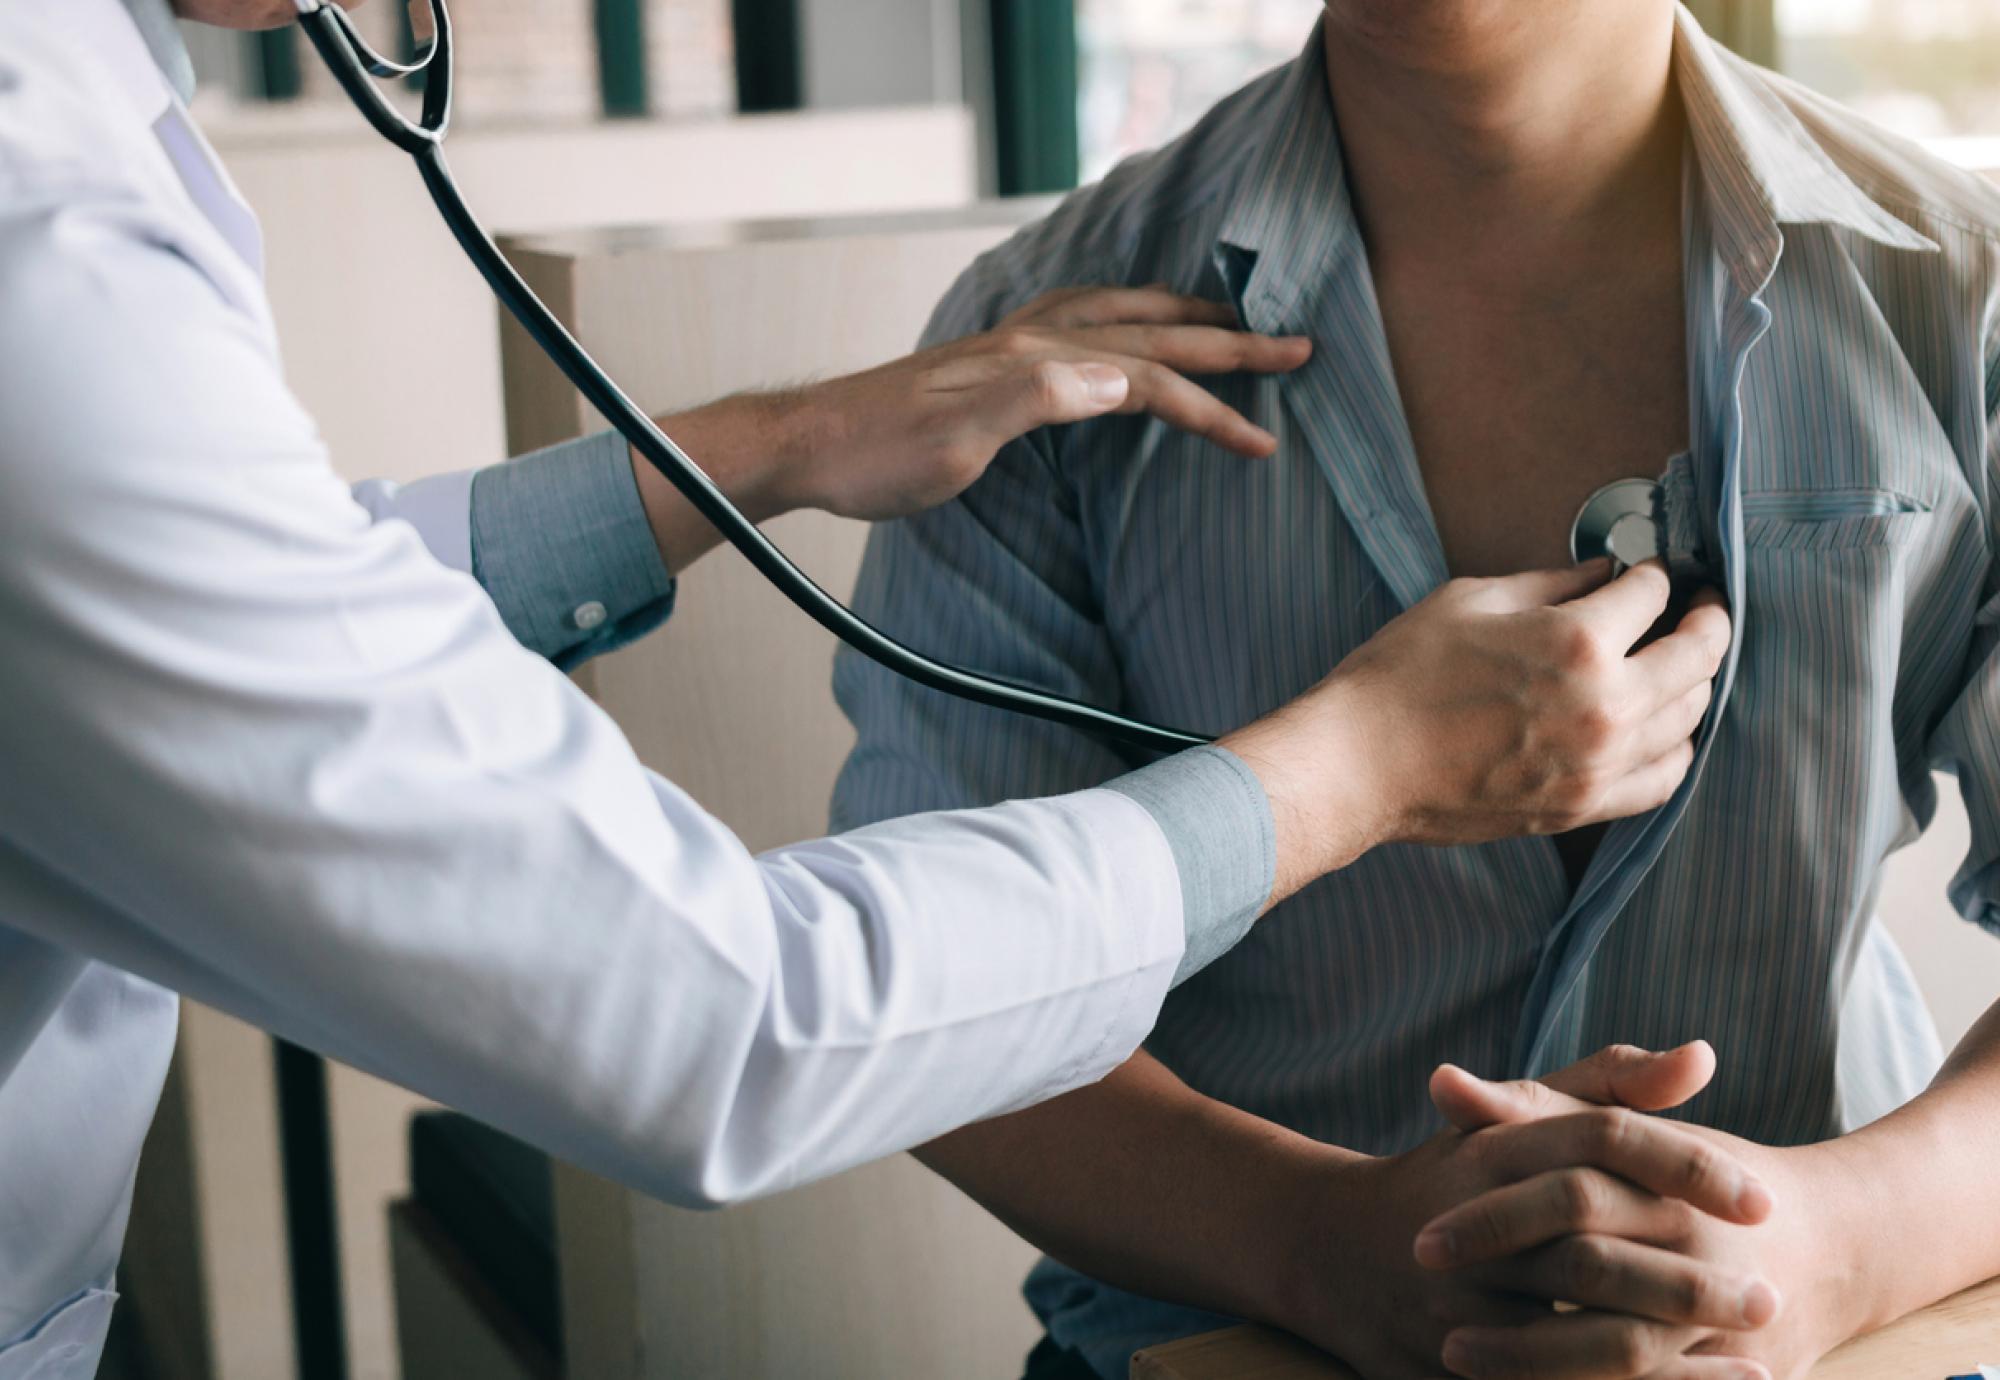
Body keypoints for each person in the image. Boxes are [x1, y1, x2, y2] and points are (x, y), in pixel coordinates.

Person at [0, 0, 1745, 1373]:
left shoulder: (1932, 288)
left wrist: (780, 446)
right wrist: (1359, 767)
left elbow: (246, 619)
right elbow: (724, 1023)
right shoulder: (40, 256)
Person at [831, 2, 2000, 1377]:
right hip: (1231, 1341)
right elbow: (932, 1000)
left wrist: (1839, 1244)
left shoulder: (1962, 293)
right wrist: (1318, 1243)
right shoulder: (1034, 338)